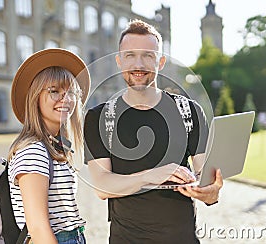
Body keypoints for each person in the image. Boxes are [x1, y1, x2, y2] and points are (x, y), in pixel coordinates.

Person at [84, 19, 223, 243]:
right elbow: (102, 186)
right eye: (130, 55)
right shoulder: (99, 118)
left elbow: (205, 178)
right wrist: (153, 175)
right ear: (119, 61)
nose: (138, 64)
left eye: (148, 55)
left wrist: (210, 192)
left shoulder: (190, 111)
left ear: (161, 62)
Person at [8, 48, 90, 244]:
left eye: (71, 92)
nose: (66, 99)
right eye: (54, 91)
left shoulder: (54, 147)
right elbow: (37, 227)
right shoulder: (33, 151)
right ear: (35, 97)